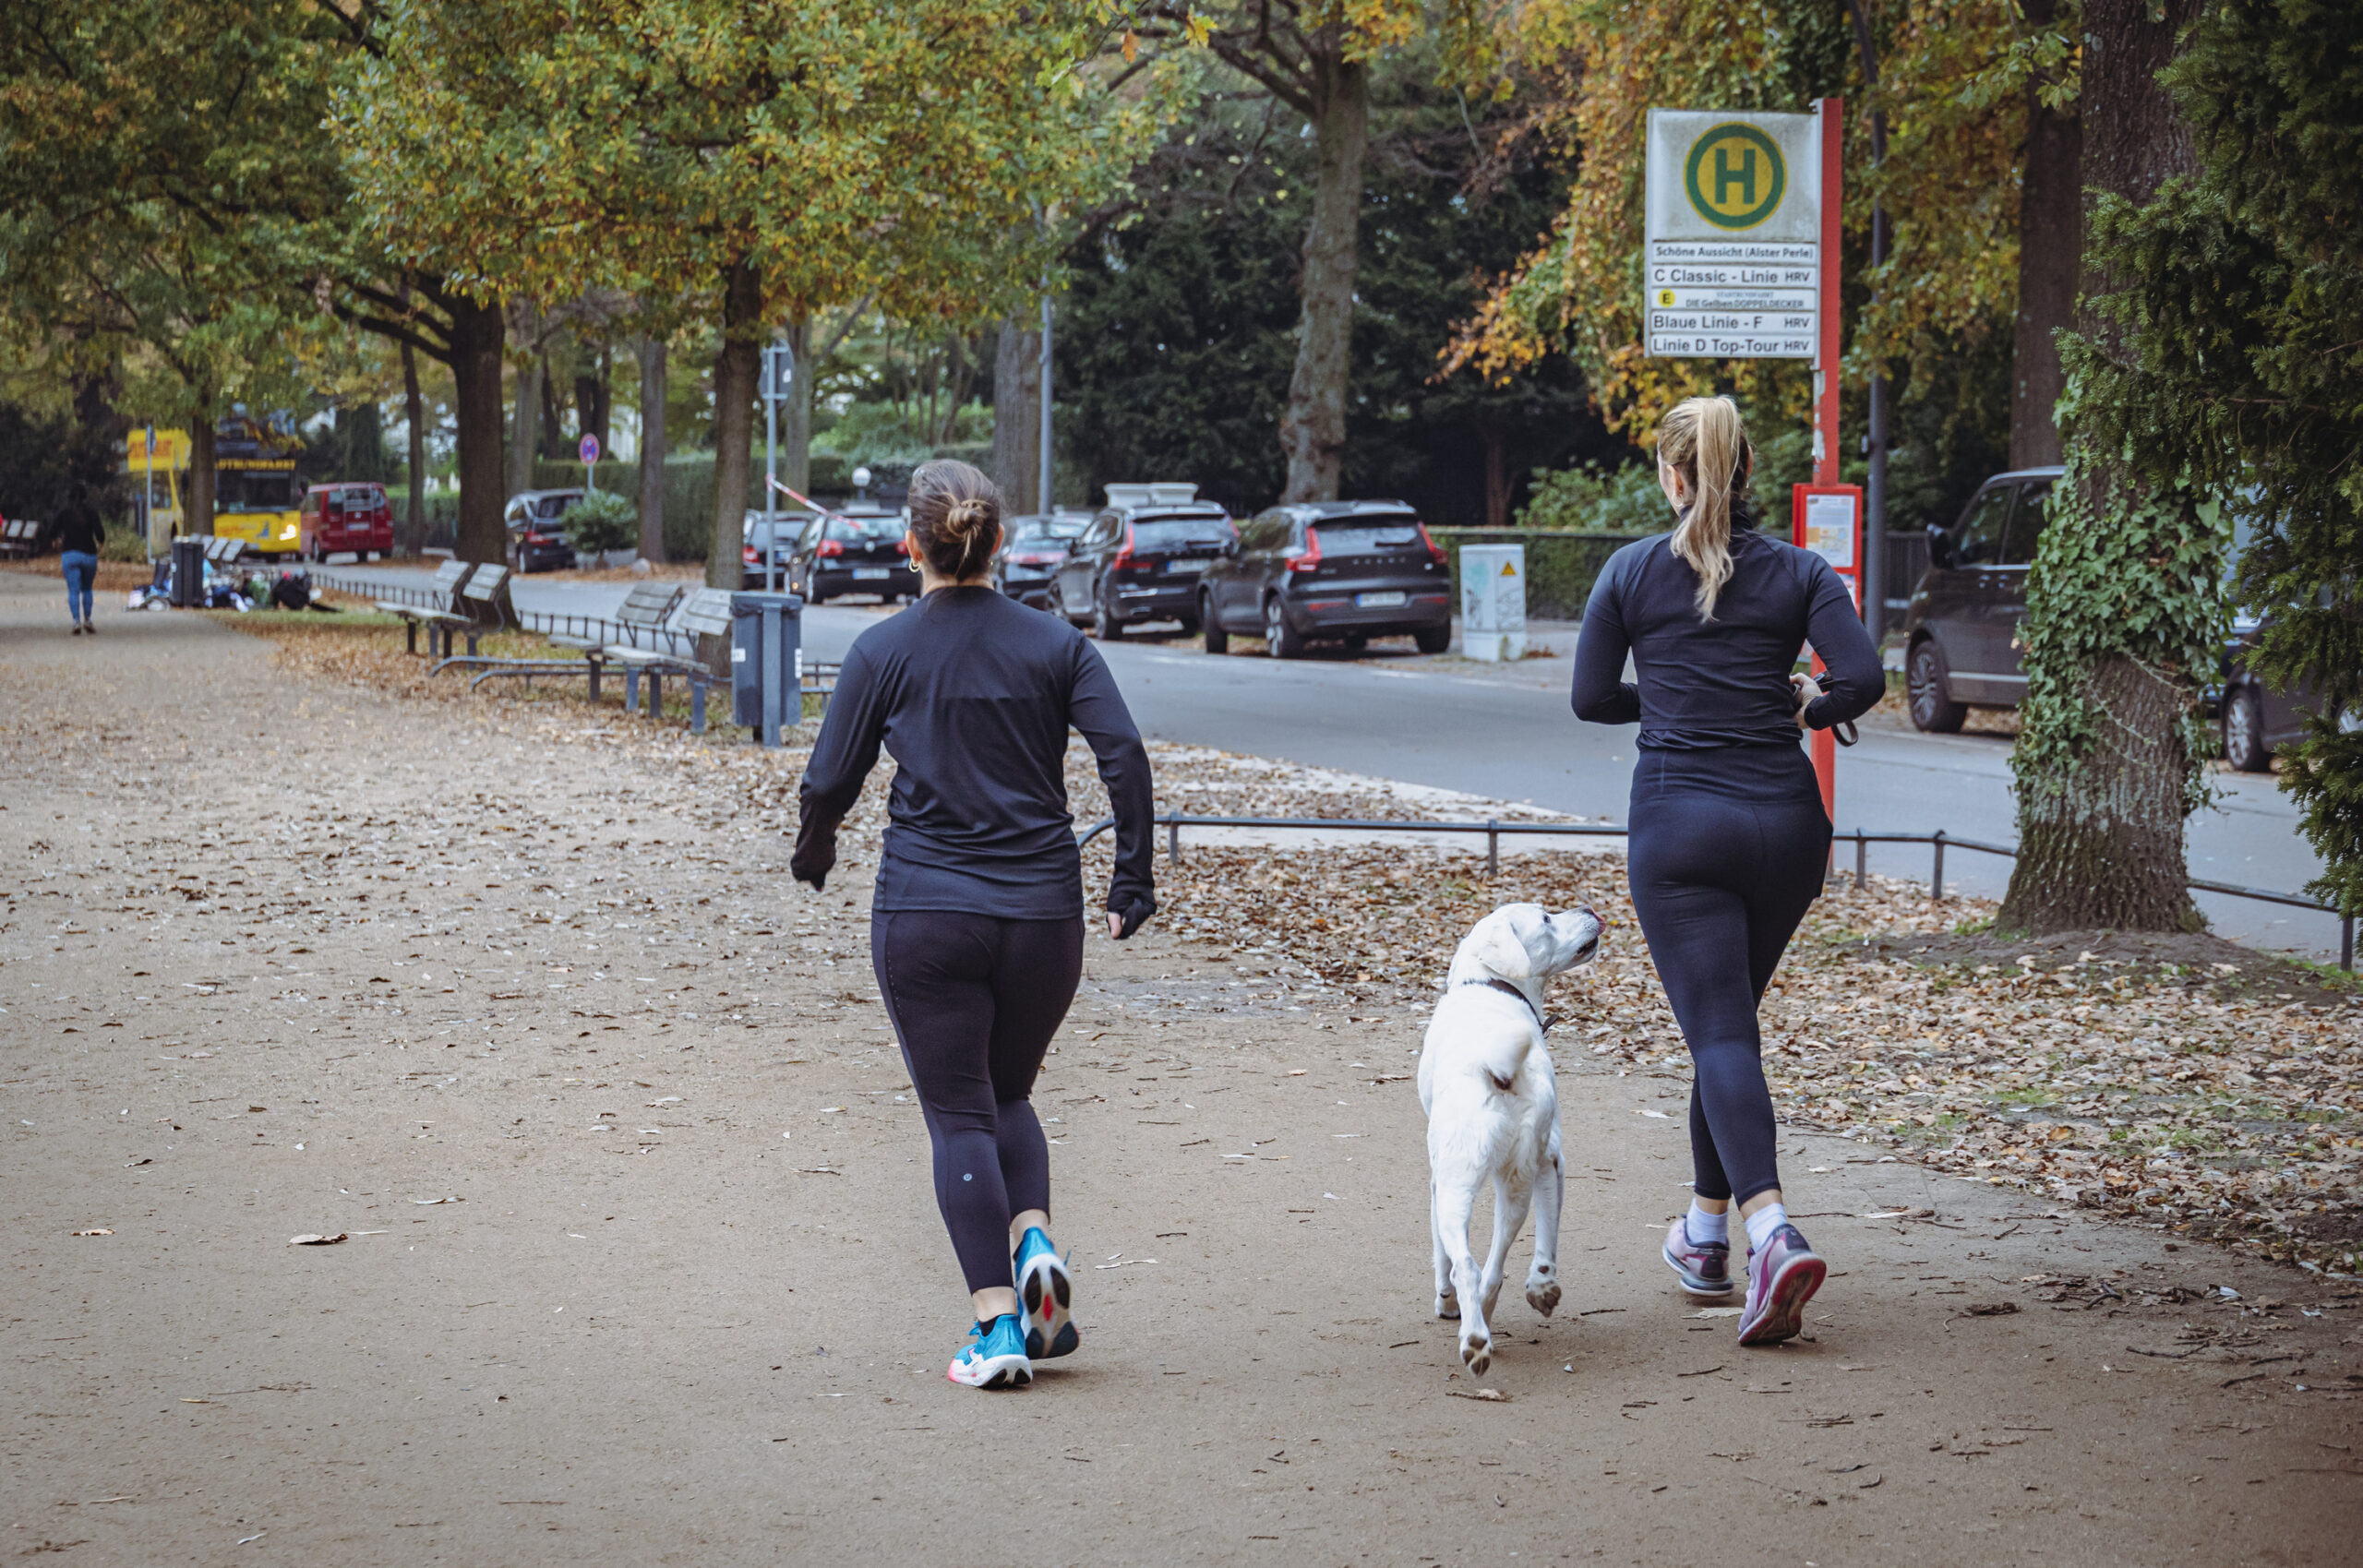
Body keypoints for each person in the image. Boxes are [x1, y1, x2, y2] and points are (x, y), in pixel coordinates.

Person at [793, 459, 1156, 1390]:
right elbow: (1122, 754)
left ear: (910, 545)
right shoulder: (1057, 646)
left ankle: (996, 1329)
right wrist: (1132, 878)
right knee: (1009, 1095)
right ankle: (1031, 1237)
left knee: (958, 1114)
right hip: (1044, 915)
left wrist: (816, 846)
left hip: (928, 912)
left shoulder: (884, 650)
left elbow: (830, 777)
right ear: (999, 543)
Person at [1570, 397, 1881, 1346]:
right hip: (1787, 828)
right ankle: (1703, 1238)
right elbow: (1863, 677)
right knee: (1727, 1032)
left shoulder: (1629, 571)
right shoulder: (1799, 570)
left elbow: (1589, 698)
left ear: (1672, 476)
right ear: (1745, 472)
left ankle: (1770, 1232)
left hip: (1680, 826)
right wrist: (1804, 710)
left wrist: (1667, 694)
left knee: (1719, 1036)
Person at [55, 482, 104, 635]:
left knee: (73, 590)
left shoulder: (64, 513)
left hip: (70, 555)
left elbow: (52, 530)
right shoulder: (92, 512)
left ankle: (76, 621)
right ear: (85, 497)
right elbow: (100, 534)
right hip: (89, 555)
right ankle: (88, 619)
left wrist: (57, 539)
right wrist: (101, 544)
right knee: (87, 588)